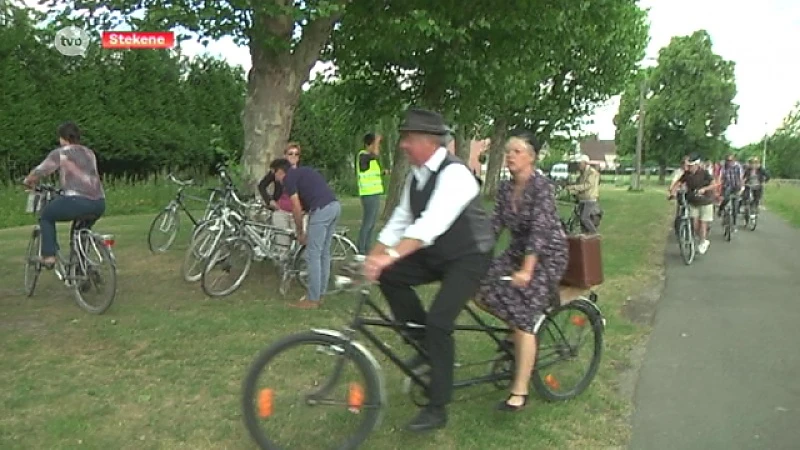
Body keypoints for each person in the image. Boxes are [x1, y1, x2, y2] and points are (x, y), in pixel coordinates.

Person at [363, 107, 494, 432]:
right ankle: (424, 345)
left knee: (439, 321)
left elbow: (428, 226)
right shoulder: (416, 176)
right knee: (391, 275)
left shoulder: (455, 174)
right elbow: (399, 222)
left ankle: (438, 406)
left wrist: (387, 256)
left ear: (428, 141)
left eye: (408, 138)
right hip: (436, 253)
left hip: (469, 255)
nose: (403, 144)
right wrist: (373, 259)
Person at [476, 129, 568, 411]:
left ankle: (520, 391)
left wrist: (527, 270)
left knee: (523, 316)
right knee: (476, 286)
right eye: (507, 152)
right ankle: (515, 331)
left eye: (516, 151)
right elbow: (495, 226)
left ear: (532, 157)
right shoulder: (505, 188)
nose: (510, 156)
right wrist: (472, 255)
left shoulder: (542, 187)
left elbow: (539, 233)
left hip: (546, 256)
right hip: (517, 252)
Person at [22, 122, 106, 267]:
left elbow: (41, 170)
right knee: (80, 231)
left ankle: (49, 256)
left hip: (76, 201)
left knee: (46, 216)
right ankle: (82, 267)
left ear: (62, 138)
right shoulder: (89, 152)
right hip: (99, 202)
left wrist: (28, 181)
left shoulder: (61, 153)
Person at [270, 158, 341, 309]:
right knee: (324, 253)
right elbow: (306, 203)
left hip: (321, 210)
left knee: (313, 254)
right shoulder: (304, 172)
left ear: (280, 172)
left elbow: (296, 207)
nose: (274, 178)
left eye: (274, 174)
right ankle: (320, 294)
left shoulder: (288, 179)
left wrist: (300, 232)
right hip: (334, 206)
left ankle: (312, 299)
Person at [670, 153, 718, 254]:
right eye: (688, 166)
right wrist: (673, 191)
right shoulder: (686, 174)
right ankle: (698, 237)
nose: (689, 167)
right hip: (693, 201)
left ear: (696, 165)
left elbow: (714, 184)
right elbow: (678, 183)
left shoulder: (704, 173)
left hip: (705, 201)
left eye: (691, 166)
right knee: (694, 223)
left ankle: (703, 241)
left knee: (703, 223)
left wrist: (704, 189)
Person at [355, 133, 388, 255]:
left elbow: (372, 171)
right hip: (368, 194)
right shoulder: (363, 155)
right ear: (369, 144)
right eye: (375, 144)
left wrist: (384, 172)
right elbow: (375, 154)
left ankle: (367, 248)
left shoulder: (370, 158)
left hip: (374, 193)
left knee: (372, 223)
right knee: (367, 222)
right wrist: (377, 141)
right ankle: (361, 249)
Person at [565, 154, 601, 234]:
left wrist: (573, 187)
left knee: (584, 218)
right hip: (582, 199)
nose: (578, 165)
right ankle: (585, 238)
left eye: (580, 163)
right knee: (581, 222)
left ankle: (595, 234)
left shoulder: (592, 173)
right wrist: (571, 191)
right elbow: (579, 186)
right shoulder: (581, 173)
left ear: (585, 163)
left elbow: (587, 185)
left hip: (590, 199)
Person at [718, 153, 744, 226]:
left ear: (734, 160)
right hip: (727, 186)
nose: (729, 162)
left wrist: (742, 187)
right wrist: (719, 184)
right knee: (726, 199)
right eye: (728, 160)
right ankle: (720, 209)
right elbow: (720, 176)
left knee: (735, 207)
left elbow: (741, 177)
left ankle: (734, 224)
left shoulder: (738, 166)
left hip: (736, 187)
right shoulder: (724, 167)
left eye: (731, 160)